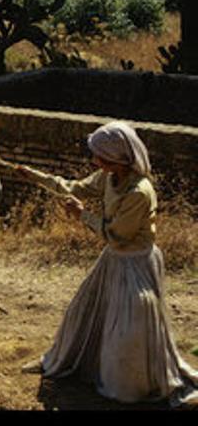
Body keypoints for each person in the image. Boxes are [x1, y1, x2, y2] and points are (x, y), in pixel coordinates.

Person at [14, 120, 198, 407]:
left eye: (99, 155)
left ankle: (129, 385)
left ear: (117, 158)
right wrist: (34, 176)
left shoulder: (139, 191)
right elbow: (73, 187)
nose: (94, 160)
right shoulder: (109, 177)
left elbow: (117, 236)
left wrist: (82, 215)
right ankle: (61, 362)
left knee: (129, 327)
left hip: (136, 263)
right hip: (113, 260)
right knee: (83, 311)